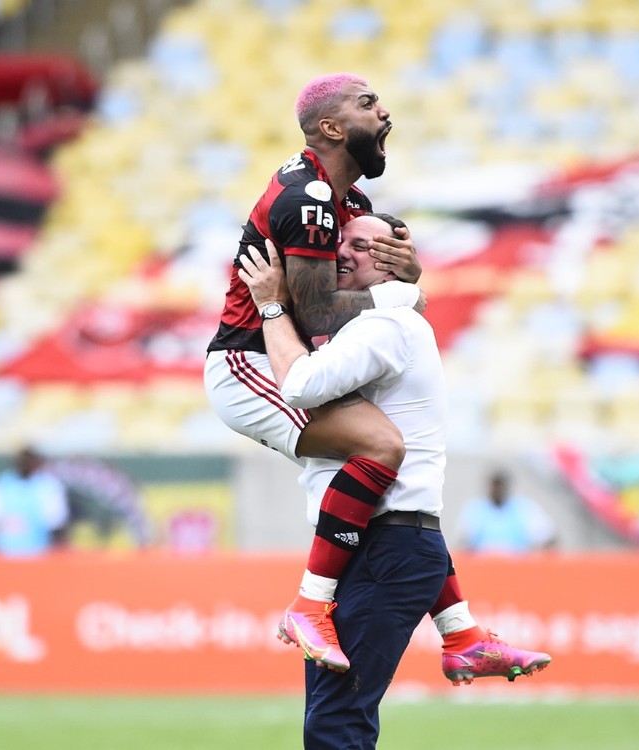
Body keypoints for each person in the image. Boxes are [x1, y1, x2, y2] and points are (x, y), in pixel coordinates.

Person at [203, 73, 488, 676]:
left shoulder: (347, 204)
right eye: (368, 104)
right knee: (383, 446)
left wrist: (405, 279)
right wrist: (404, 298)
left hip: (299, 357)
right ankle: (310, 605)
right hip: (253, 363)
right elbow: (314, 310)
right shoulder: (307, 198)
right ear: (331, 128)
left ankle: (462, 634)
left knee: (399, 479)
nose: (385, 113)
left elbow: (351, 300)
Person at [239, 215, 550, 748]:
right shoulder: (386, 322)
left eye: (361, 246)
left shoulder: (384, 326)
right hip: (389, 541)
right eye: (341, 241)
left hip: (382, 546)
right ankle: (461, 633)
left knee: (337, 720)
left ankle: (444, 630)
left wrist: (270, 305)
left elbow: (299, 383)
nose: (342, 251)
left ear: (390, 260)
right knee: (335, 714)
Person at [457, 470, 558, 554]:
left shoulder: (523, 508)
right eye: (494, 486)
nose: (496, 490)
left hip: (517, 568)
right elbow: (464, 543)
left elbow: (548, 538)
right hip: (483, 568)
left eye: (500, 486)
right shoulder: (475, 509)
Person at [0, 447, 69, 557]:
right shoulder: (4, 482)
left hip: (37, 552)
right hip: (5, 552)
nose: (24, 464)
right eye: (21, 461)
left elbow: (56, 519)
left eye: (28, 461)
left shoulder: (47, 485)